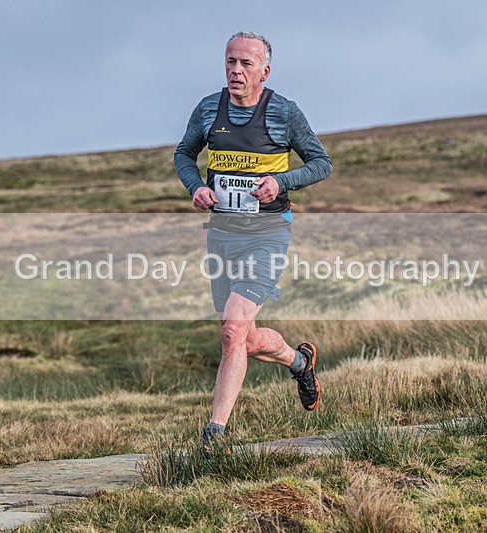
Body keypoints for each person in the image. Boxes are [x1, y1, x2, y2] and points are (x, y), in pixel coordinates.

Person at [174, 31, 332, 450]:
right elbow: (183, 155)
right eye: (230, 62)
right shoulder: (209, 109)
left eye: (246, 63)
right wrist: (196, 187)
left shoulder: (283, 112)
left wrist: (280, 181)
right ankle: (299, 362)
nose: (236, 71)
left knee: (231, 330)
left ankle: (215, 434)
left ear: (265, 70)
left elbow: (320, 163)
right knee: (242, 337)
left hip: (267, 234)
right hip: (222, 235)